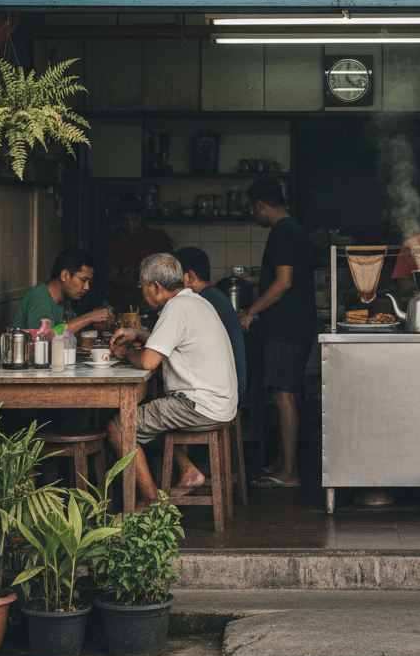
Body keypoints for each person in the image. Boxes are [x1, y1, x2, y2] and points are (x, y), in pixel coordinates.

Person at [107, 253, 237, 510]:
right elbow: (168, 340)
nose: (141, 290)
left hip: (199, 404)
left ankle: (150, 501)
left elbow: (147, 362)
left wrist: (126, 352)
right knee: (147, 424)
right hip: (219, 401)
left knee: (119, 428)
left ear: (156, 287)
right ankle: (189, 472)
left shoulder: (175, 308)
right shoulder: (194, 301)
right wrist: (137, 333)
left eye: (141, 285)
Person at [238, 178, 315, 489]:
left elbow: (283, 282)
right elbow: (283, 278)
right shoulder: (293, 229)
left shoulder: (282, 232)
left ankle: (290, 473)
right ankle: (283, 464)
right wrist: (256, 280)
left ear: (259, 204)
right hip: (295, 324)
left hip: (287, 326)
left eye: (252, 209)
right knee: (284, 393)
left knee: (283, 396)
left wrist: (251, 311)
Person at [175, 246, 246, 397]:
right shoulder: (213, 295)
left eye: (174, 276)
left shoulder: (201, 302)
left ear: (190, 277)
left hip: (222, 393)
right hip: (229, 386)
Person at [12, 247, 112, 333]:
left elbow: (64, 331)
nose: (87, 287)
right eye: (83, 280)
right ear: (64, 275)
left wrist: (93, 324)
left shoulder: (62, 301)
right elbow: (45, 338)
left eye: (89, 282)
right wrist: (90, 317)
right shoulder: (39, 297)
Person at [104, 196, 173, 314]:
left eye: (134, 220)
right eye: (125, 221)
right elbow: (110, 277)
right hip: (121, 306)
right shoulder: (114, 243)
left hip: (154, 306)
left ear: (141, 218)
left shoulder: (158, 239)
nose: (130, 225)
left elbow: (171, 276)